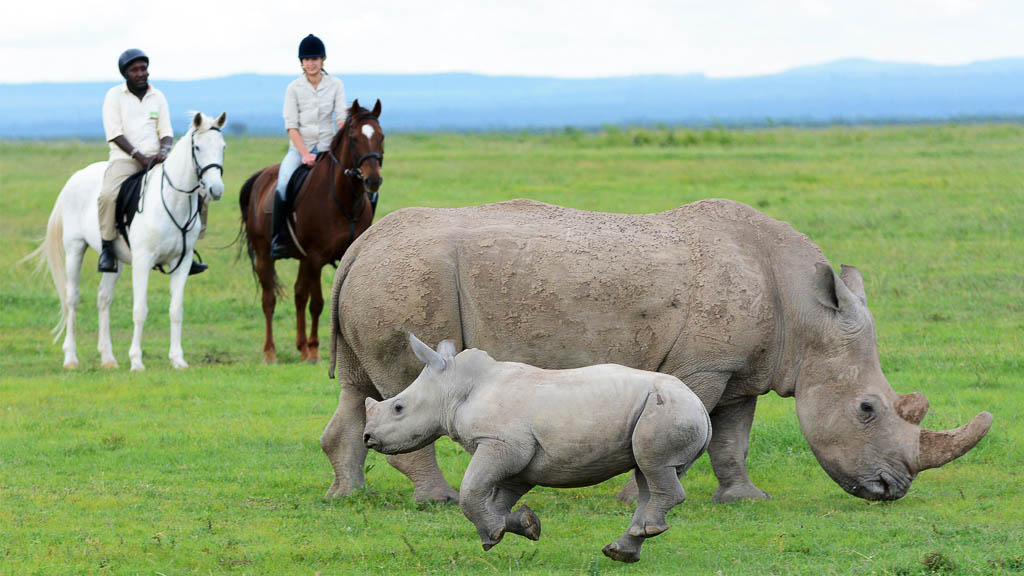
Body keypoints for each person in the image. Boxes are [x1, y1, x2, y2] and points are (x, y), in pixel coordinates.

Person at [98, 49, 208, 275]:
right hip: (126, 159)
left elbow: (166, 131)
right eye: (135, 70)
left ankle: (188, 245)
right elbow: (115, 133)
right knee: (108, 195)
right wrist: (140, 156)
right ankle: (107, 247)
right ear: (125, 74)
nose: (141, 73)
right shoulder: (114, 96)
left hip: (157, 159)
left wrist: (165, 151)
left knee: (199, 191)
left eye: (144, 68)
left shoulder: (157, 96)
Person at [271, 34, 347, 259]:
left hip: (327, 148)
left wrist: (337, 144)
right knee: (283, 183)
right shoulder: (293, 88)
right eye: (306, 59)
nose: (310, 63)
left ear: (323, 60)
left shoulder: (336, 85)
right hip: (299, 150)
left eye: (314, 58)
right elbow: (291, 126)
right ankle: (279, 239)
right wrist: (304, 154)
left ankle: (356, 233)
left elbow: (341, 119)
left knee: (354, 180)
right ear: (301, 62)